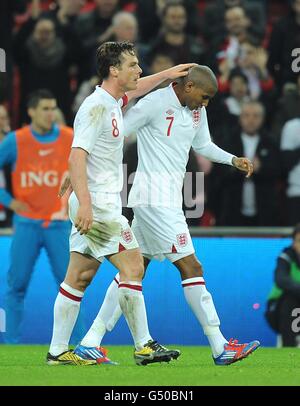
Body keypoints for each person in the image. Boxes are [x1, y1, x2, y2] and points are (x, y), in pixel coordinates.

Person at [76, 65, 260, 366]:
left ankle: (90, 341)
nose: (206, 103)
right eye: (204, 96)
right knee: (192, 266)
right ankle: (219, 345)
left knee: (133, 270)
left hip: (168, 200)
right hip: (154, 200)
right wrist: (82, 164)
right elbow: (117, 131)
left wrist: (232, 159)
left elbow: (202, 145)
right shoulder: (154, 103)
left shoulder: (196, 110)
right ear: (187, 87)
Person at [47, 41, 195, 366]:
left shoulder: (113, 101)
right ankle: (144, 345)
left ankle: (57, 352)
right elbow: (76, 154)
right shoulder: (96, 106)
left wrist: (168, 74)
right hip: (97, 206)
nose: (138, 70)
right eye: (132, 65)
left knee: (79, 277)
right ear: (114, 70)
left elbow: (138, 88)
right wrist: (84, 203)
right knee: (133, 266)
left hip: (97, 203)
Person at [0, 89, 85, 344]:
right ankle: (10, 345)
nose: (51, 114)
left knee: (71, 287)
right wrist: (9, 201)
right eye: (45, 109)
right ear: (31, 111)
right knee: (16, 286)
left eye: (53, 108)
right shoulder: (16, 140)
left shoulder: (70, 138)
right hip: (26, 224)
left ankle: (78, 344)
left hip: (60, 224)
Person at [266, 224, 300, 347]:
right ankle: (289, 346)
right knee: (290, 300)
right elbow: (281, 279)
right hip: (278, 310)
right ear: (294, 243)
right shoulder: (286, 257)